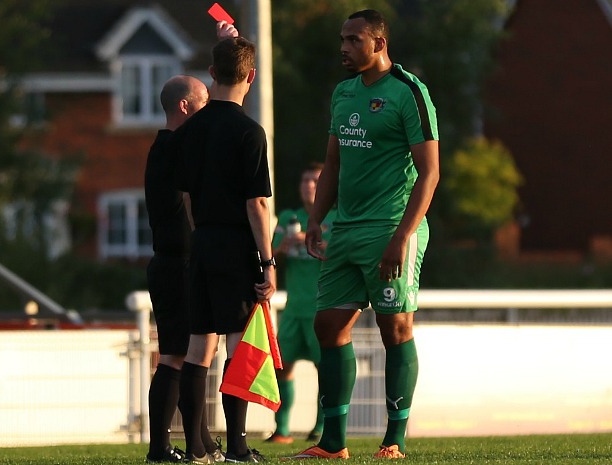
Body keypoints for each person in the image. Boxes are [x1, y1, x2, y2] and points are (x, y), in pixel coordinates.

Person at [286, 9, 439, 460]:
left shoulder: (409, 92)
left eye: (353, 40)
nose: (344, 48)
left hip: (392, 227)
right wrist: (317, 218)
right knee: (327, 326)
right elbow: (332, 163)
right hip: (346, 229)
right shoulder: (343, 93)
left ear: (378, 43)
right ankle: (333, 443)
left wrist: (401, 238)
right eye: (342, 40)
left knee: (396, 328)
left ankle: (395, 439)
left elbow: (429, 175)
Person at [173, 31, 276, 464]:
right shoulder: (250, 132)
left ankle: (196, 445)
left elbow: (188, 195)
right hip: (236, 245)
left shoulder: (190, 128)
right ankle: (236, 445)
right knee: (238, 344)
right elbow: (256, 204)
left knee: (199, 347)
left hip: (203, 242)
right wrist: (268, 261)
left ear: (212, 73)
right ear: (252, 76)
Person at [144, 75, 224, 463]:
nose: (208, 106)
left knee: (196, 355)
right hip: (175, 265)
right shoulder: (173, 148)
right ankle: (160, 448)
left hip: (183, 263)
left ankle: (201, 442)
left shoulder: (170, 147)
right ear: (184, 107)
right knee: (175, 356)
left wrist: (221, 72)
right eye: (203, 100)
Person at [265, 163, 335, 445]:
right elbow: (268, 252)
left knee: (326, 370)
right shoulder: (289, 216)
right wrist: (284, 245)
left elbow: (345, 250)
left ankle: (320, 428)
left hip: (323, 307)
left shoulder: (337, 216)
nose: (309, 185)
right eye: (306, 180)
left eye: (316, 180)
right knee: (283, 367)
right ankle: (282, 430)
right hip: (294, 308)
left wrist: (314, 241)